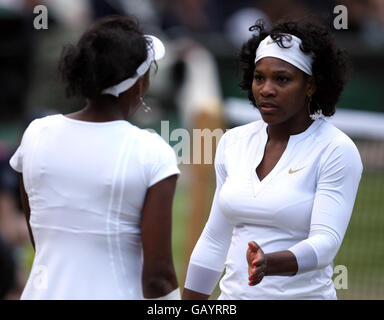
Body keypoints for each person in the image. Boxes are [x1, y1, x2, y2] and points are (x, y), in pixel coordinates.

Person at [182, 18, 363, 300]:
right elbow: (215, 239)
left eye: (282, 79)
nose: (266, 89)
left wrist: (270, 263)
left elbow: (326, 244)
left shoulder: (336, 149)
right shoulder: (233, 142)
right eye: (259, 77)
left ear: (311, 85)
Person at [9, 15, 180, 300]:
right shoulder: (152, 151)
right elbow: (158, 277)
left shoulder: (36, 134)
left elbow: (40, 238)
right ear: (137, 85)